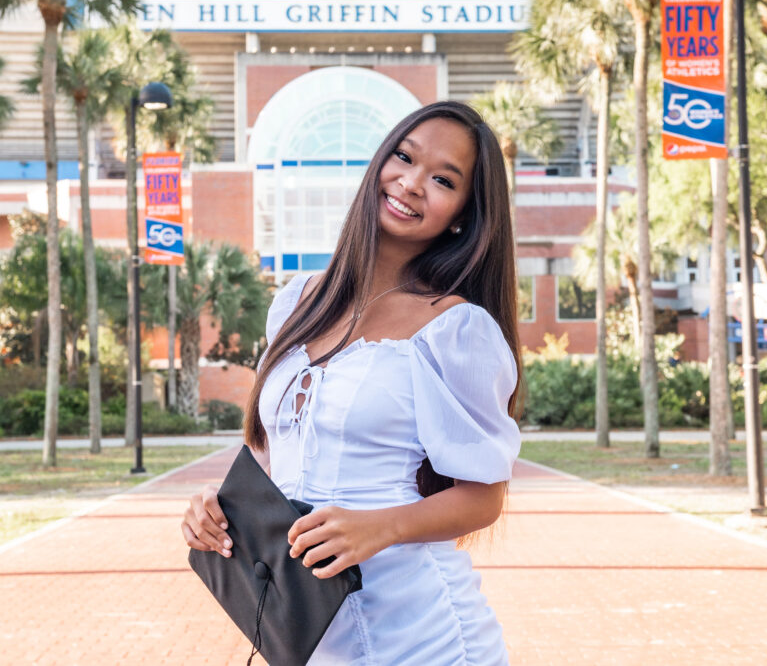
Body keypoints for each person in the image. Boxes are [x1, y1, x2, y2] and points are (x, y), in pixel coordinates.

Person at [182, 101, 523, 665]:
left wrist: (379, 528)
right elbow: (275, 450)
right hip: (311, 631)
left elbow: (484, 496)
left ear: (463, 213)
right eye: (404, 157)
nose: (412, 183)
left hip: (422, 636)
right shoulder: (299, 300)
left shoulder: (456, 329)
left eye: (442, 179)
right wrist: (217, 506)